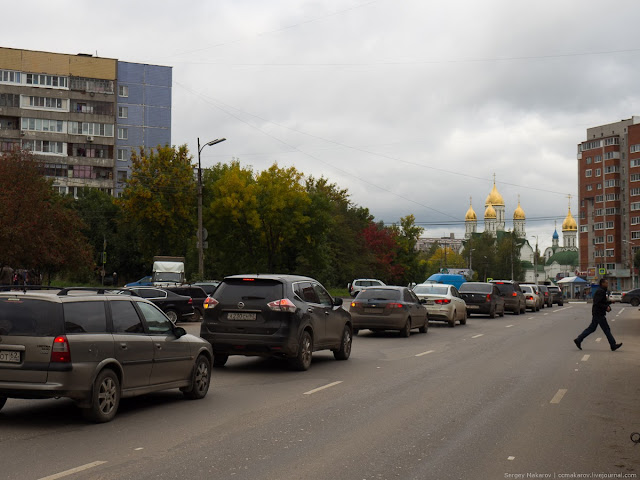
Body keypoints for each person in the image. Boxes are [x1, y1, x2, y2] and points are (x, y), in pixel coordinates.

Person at [574, 278, 622, 351]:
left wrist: (610, 302)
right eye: (606, 283)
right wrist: (606, 307)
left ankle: (579, 339)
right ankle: (613, 345)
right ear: (602, 283)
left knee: (592, 328)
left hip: (597, 313)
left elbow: (602, 302)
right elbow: (598, 303)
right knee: (606, 329)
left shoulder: (601, 291)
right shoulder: (600, 291)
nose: (607, 284)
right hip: (598, 313)